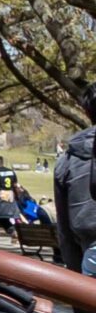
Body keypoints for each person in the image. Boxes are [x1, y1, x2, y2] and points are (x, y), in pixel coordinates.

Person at [58, 80, 96, 277]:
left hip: (90, 253)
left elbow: (64, 230)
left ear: (87, 112)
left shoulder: (68, 160)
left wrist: (74, 275)